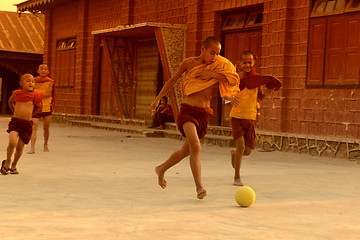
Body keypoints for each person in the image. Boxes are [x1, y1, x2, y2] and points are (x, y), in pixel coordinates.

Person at [149, 37, 239, 199]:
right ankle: (199, 187)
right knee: (196, 147)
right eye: (212, 53)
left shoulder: (218, 66)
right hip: (188, 111)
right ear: (202, 49)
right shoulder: (188, 63)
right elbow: (172, 80)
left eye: (217, 54)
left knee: (185, 151)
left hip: (204, 114)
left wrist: (211, 74)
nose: (214, 57)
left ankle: (161, 169)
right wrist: (157, 100)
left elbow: (232, 78)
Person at [226, 50, 281, 186]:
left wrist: (267, 93)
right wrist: (230, 99)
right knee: (241, 146)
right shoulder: (237, 78)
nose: (247, 65)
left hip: (250, 118)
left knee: (247, 151)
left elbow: (259, 97)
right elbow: (226, 93)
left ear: (254, 63)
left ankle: (234, 155)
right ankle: (237, 177)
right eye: (244, 62)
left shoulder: (256, 80)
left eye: (250, 62)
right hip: (237, 117)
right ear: (239, 64)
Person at [1, 74, 43, 175]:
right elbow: (10, 101)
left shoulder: (35, 95)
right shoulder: (17, 94)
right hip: (16, 122)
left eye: (33, 81)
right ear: (21, 83)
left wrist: (31, 115)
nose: (31, 83)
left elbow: (38, 107)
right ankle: (7, 161)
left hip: (27, 124)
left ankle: (14, 165)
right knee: (12, 142)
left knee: (20, 147)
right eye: (28, 81)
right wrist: (14, 111)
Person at [27, 64, 55, 154]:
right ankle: (32, 148)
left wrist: (36, 92)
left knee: (46, 128)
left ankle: (45, 144)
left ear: (48, 72)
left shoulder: (50, 82)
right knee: (34, 127)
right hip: (36, 106)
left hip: (47, 106)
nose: (43, 71)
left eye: (45, 69)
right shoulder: (33, 81)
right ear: (38, 71)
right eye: (41, 69)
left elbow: (48, 94)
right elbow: (29, 91)